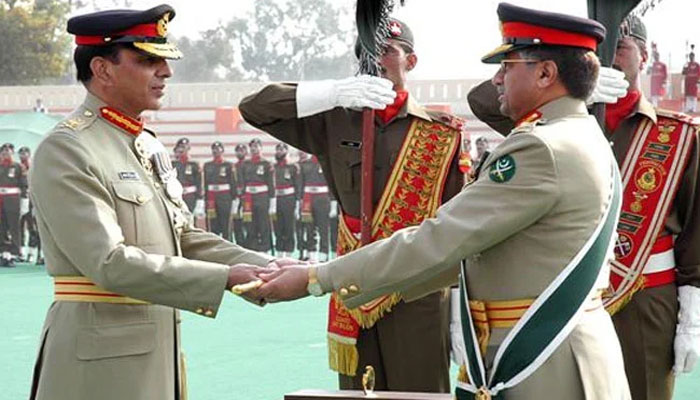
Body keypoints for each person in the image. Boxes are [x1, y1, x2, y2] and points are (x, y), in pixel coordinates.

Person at [255, 3, 632, 399]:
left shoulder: (540, 147)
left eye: (508, 66)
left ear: (545, 73)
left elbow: (442, 237)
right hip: (558, 350)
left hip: (540, 359)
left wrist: (318, 278)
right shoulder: (578, 133)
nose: (498, 79)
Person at [27, 5, 282, 400]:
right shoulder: (69, 148)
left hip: (154, 351)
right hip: (98, 364)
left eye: (163, 60)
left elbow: (184, 237)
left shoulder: (144, 143)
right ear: (103, 69)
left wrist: (268, 267)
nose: (166, 71)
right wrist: (225, 279)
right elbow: (108, 262)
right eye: (148, 60)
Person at [240, 18, 464, 392]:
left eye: (387, 50)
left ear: (411, 62)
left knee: (419, 390)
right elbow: (255, 108)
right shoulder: (334, 119)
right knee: (358, 389)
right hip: (351, 284)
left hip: (416, 289)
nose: (374, 58)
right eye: (366, 51)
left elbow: (458, 231)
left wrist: (459, 316)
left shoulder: (440, 135)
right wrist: (332, 94)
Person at [239, 138, 274, 252]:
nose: (254, 149)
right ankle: (252, 248)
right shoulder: (245, 164)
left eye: (256, 146)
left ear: (261, 148)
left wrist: (272, 202)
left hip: (262, 196)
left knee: (263, 223)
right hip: (249, 197)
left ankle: (265, 249)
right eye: (252, 147)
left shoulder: (266, 163)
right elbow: (242, 183)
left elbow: (271, 184)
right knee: (250, 224)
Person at [298, 152, 331, 262]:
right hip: (308, 199)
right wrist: (300, 201)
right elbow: (301, 184)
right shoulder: (305, 164)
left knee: (323, 228)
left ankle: (324, 254)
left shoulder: (327, 162)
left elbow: (332, 183)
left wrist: (334, 202)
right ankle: (311, 253)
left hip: (323, 199)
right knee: (309, 228)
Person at [0, 143, 27, 266]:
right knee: (2, 227)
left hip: (13, 200)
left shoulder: (18, 167)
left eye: (9, 151)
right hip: (0, 199)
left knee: (14, 227)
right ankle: (4, 254)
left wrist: (24, 201)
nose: (6, 153)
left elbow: (24, 185)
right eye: (4, 151)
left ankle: (14, 253)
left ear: (12, 153)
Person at [203, 141, 236, 239]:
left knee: (226, 223)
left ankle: (228, 246)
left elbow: (233, 182)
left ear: (222, 151)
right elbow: (205, 183)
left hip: (225, 198)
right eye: (214, 149)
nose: (216, 151)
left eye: (218, 149)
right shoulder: (207, 165)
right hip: (211, 198)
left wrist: (234, 198)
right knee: (212, 224)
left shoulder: (228, 165)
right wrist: (203, 199)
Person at [273, 143, 300, 258]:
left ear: (286, 151)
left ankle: (289, 253)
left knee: (289, 226)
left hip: (289, 199)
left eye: (282, 149)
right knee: (278, 226)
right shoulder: (272, 167)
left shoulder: (293, 167)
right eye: (278, 149)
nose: (280, 151)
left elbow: (298, 186)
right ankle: (279, 252)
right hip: (276, 199)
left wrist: (298, 203)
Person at [18, 146, 41, 264]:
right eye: (21, 153)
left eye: (25, 153)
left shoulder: (34, 167)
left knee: (33, 227)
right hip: (20, 199)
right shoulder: (17, 167)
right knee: (19, 226)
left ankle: (33, 253)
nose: (23, 155)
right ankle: (21, 251)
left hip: (32, 200)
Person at [172, 137, 203, 213]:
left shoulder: (194, 164)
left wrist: (200, 198)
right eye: (181, 147)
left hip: (190, 196)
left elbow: (199, 182)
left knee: (190, 218)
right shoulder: (173, 164)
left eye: (185, 147)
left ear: (188, 148)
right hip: (177, 196)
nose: (182, 149)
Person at [231, 143, 248, 245]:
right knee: (237, 222)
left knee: (248, 223)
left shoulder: (249, 165)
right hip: (236, 198)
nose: (239, 153)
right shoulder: (234, 166)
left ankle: (249, 244)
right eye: (238, 151)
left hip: (248, 198)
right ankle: (239, 242)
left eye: (242, 151)